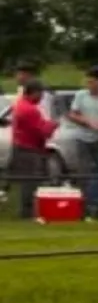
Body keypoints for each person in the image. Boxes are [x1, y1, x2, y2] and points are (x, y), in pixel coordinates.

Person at [59, 67, 98, 220]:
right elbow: (72, 114)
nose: (89, 84)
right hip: (82, 139)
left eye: (92, 82)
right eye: (87, 81)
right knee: (85, 172)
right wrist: (86, 121)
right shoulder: (81, 95)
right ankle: (85, 205)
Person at [10, 80, 58, 221]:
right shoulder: (30, 110)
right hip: (29, 149)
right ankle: (27, 211)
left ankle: (27, 210)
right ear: (34, 92)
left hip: (21, 146)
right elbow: (42, 131)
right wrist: (53, 125)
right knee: (30, 181)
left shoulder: (20, 105)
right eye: (40, 93)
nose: (42, 97)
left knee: (27, 180)